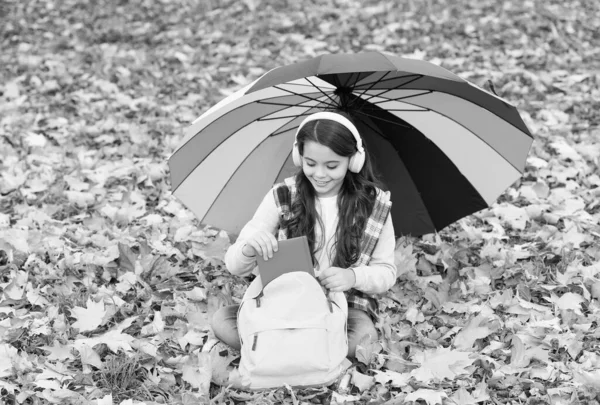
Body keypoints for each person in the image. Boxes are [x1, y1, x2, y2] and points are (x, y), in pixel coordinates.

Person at [210, 110, 397, 359]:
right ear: (299, 157)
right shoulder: (282, 196)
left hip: (343, 307)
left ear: (353, 161)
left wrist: (353, 277)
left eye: (332, 166)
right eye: (311, 164)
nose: (320, 175)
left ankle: (281, 352)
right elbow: (234, 265)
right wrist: (248, 248)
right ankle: (312, 354)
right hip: (286, 303)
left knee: (363, 337)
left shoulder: (374, 205)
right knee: (222, 320)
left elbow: (386, 272)